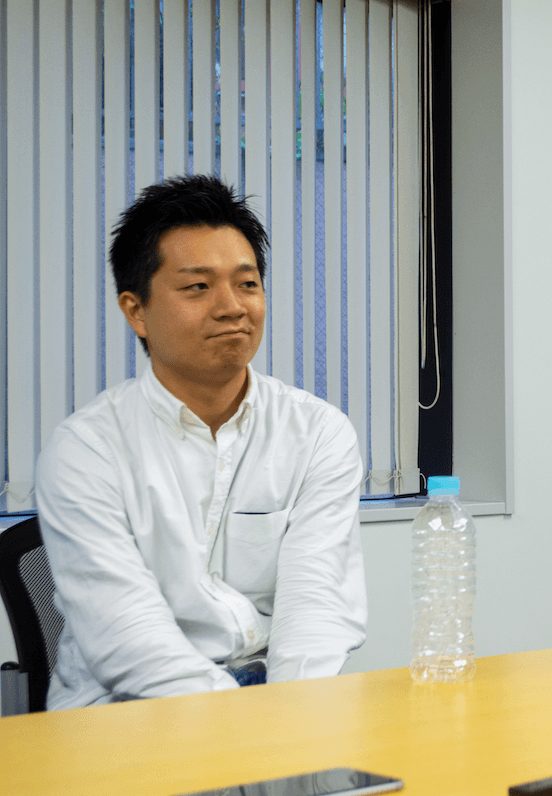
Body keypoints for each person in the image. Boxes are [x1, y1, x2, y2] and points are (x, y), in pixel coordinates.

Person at [35, 175, 367, 709]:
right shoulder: (86, 450)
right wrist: (240, 728)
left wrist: (292, 721)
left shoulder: (318, 433)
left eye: (247, 283)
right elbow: (129, 639)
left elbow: (317, 607)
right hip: (129, 707)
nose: (232, 306)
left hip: (275, 695)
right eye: (198, 287)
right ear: (136, 311)